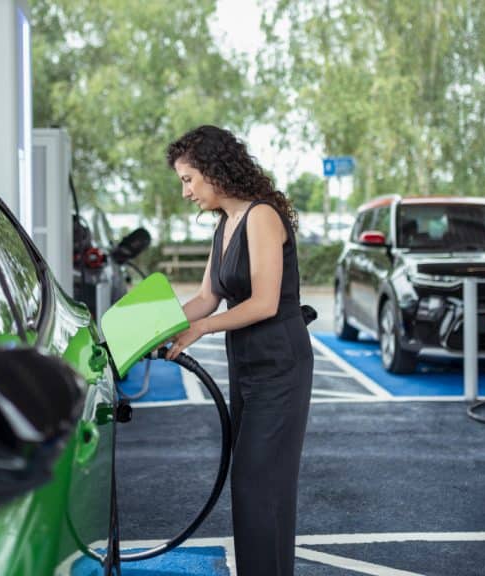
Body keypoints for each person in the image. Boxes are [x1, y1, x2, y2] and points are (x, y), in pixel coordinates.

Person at [165, 125, 314, 576]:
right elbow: (206, 297)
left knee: (259, 485)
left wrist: (201, 330)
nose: (186, 192)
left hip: (280, 365)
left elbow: (265, 302)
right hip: (247, 365)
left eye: (189, 179)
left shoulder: (262, 217)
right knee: (252, 485)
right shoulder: (225, 224)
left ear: (215, 170)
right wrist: (150, 330)